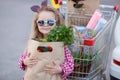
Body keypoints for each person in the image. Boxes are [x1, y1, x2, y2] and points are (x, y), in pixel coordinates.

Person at [18, 1, 74, 80]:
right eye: (41, 22)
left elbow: (70, 64)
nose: (45, 25)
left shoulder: (60, 44)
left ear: (56, 24)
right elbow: (22, 59)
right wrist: (25, 61)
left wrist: (61, 69)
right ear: (36, 24)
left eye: (50, 22)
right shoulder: (34, 42)